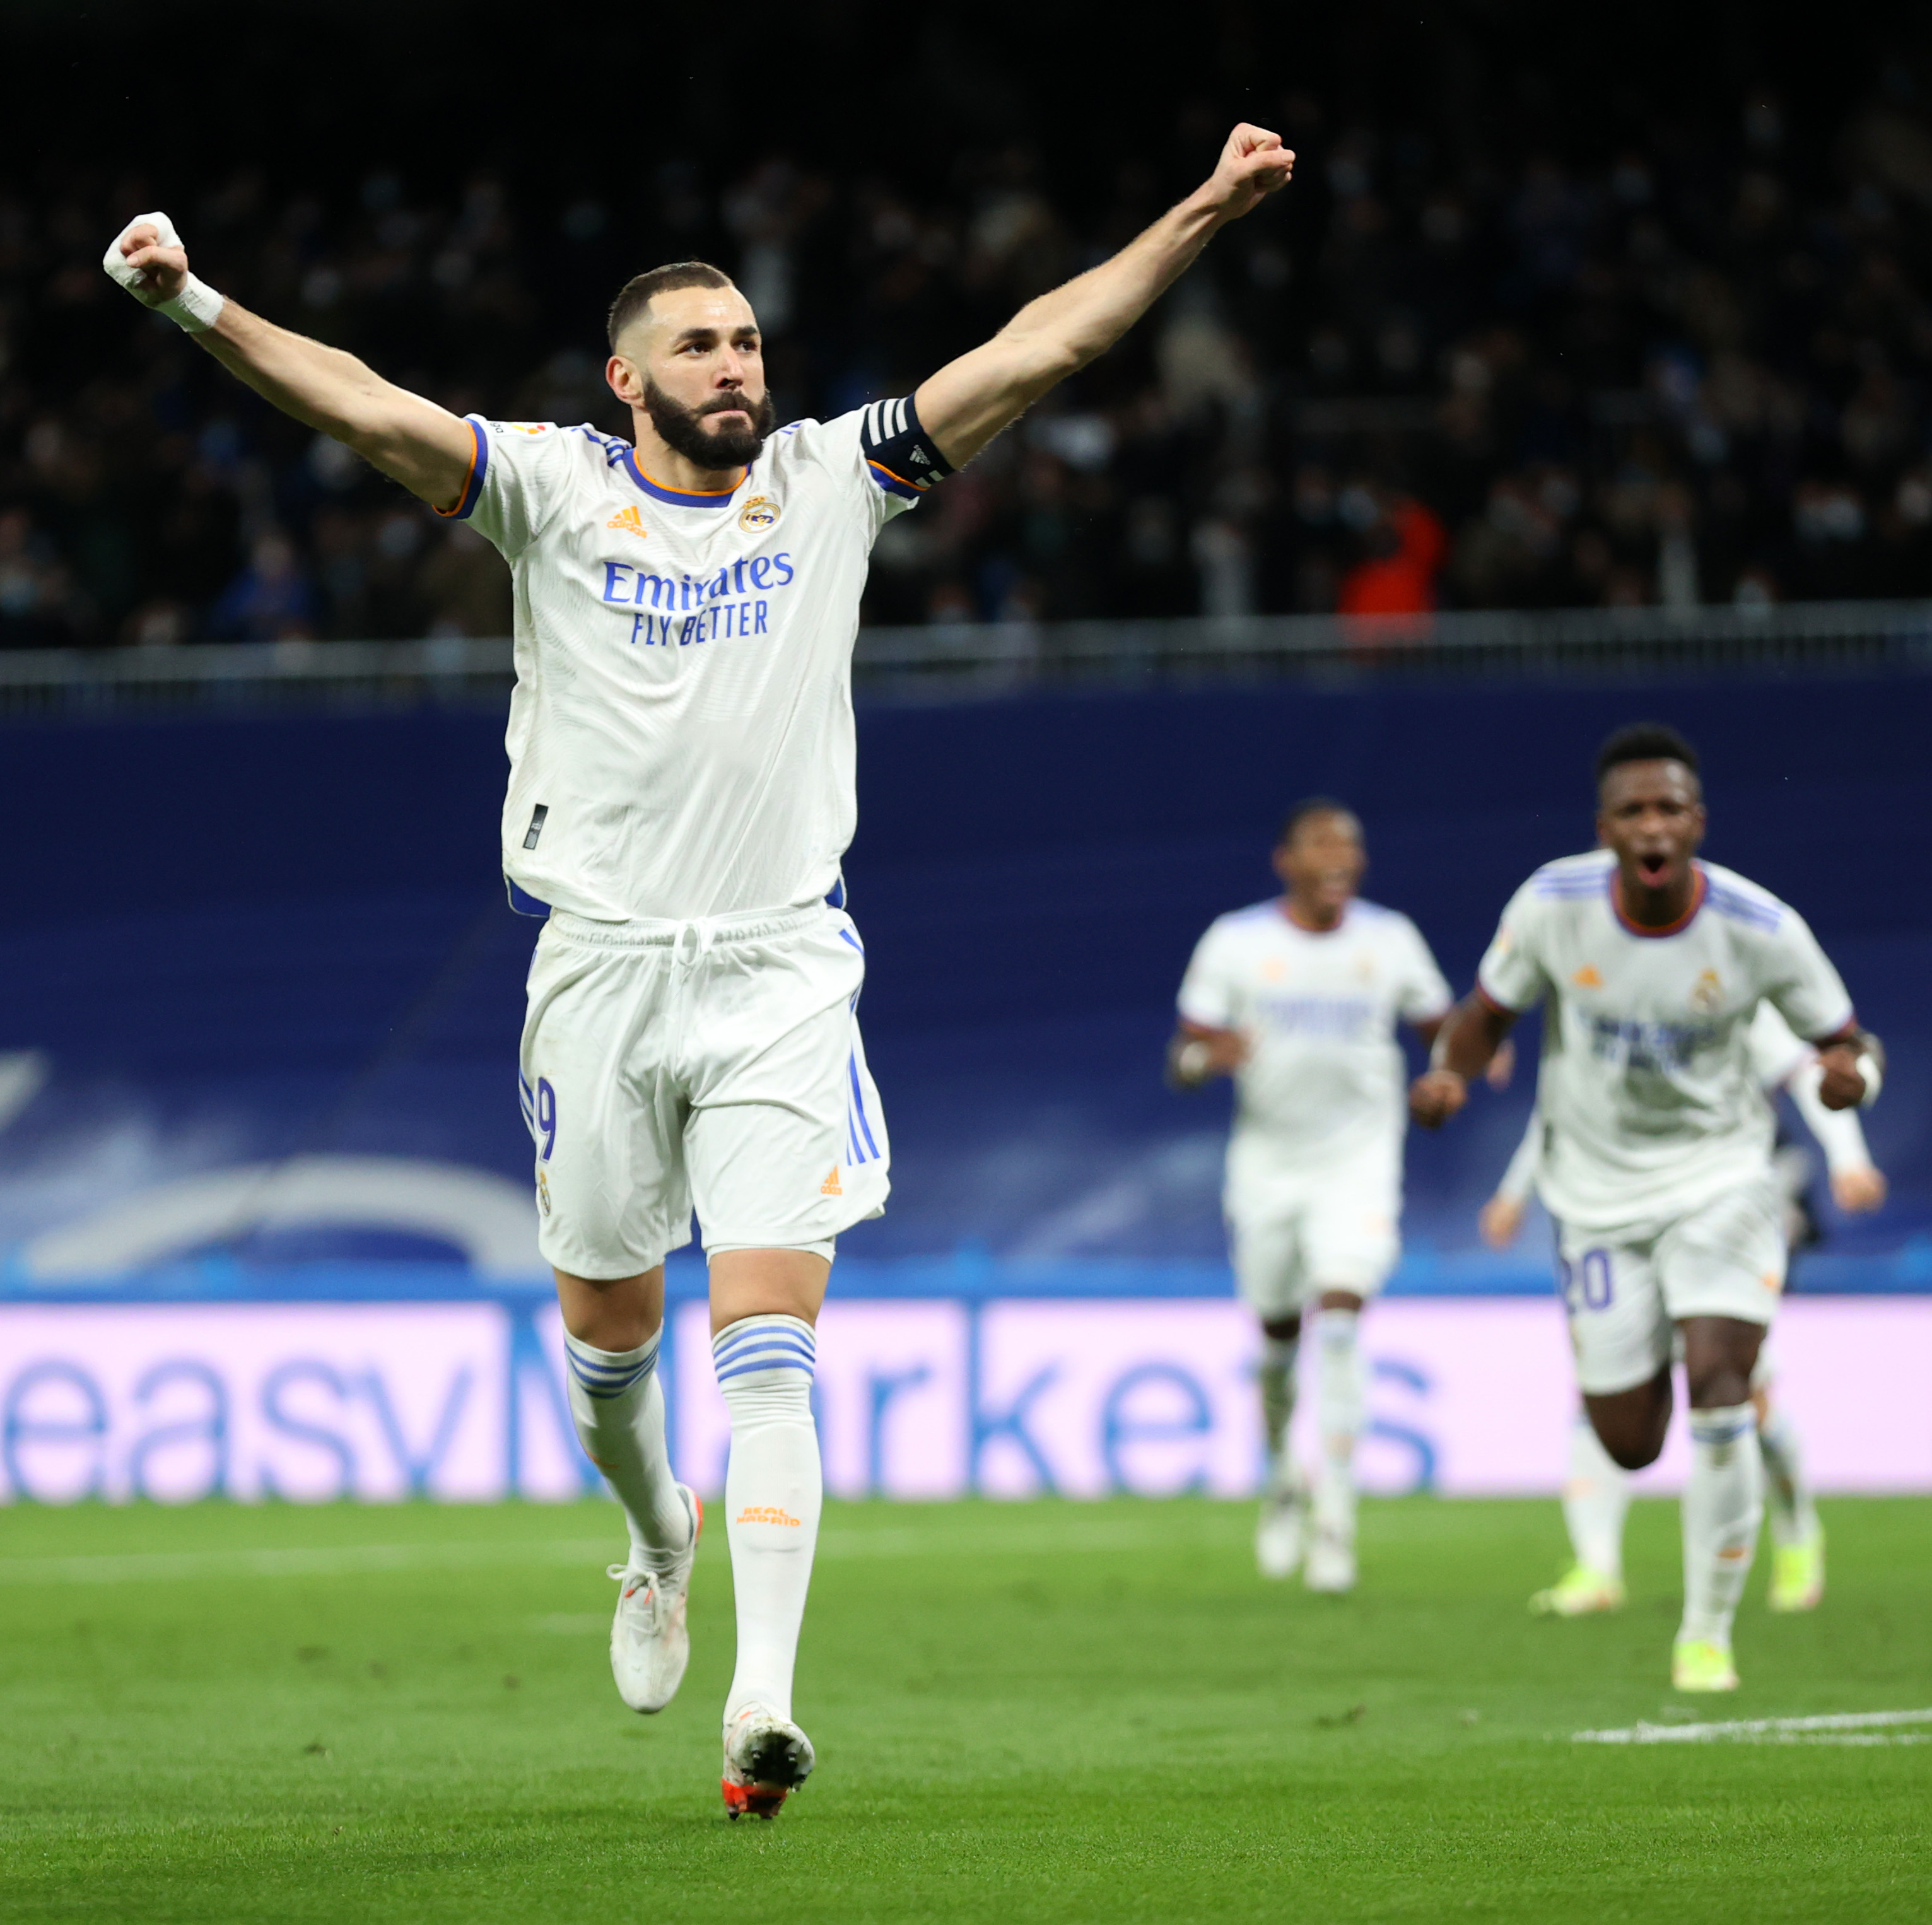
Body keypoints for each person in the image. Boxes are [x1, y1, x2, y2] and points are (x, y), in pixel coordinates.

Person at [101, 126, 1298, 1815]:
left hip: (781, 969)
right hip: (597, 971)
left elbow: (1042, 347)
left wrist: (1199, 208)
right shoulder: (548, 489)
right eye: (699, 345)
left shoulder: (835, 478)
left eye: (745, 342)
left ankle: (764, 1702)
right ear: (627, 376)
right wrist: (195, 305)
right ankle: (655, 1532)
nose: (735, 366)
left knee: (769, 1335)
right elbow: (365, 406)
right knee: (609, 1339)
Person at [1409, 723, 1883, 1693]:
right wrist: (1448, 1076)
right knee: (1628, 1439)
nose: (1652, 824)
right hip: (1592, 1198)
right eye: (1633, 810)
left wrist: (1852, 1090)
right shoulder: (1551, 904)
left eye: (1669, 807)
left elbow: (1847, 1046)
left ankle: (1704, 1637)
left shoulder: (1760, 929)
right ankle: (1671, 1522)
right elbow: (1483, 1017)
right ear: (1605, 829)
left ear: (1697, 823)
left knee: (1720, 1385)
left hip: (1721, 1183)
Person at [1482, 1000, 1887, 1617]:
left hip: (1714, 1216)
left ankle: (1799, 1531)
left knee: (1743, 1393)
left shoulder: (1730, 983)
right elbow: (1561, 1104)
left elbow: (1811, 1072)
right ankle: (1597, 1566)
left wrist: (1848, 1156)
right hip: (1615, 1218)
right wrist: (1514, 1192)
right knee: (1599, 1394)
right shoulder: (1601, 990)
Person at [1166, 800, 1459, 1593]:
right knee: (1276, 1347)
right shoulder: (1238, 941)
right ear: (1285, 861)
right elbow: (1184, 1056)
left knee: (1339, 1324)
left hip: (1359, 1163)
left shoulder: (1389, 940)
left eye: (1351, 847)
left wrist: (1449, 1072)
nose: (1340, 858)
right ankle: (1280, 1482)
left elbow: (1446, 1028)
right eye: (1322, 845)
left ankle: (1336, 1521)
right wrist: (1204, 1060)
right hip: (1267, 1167)